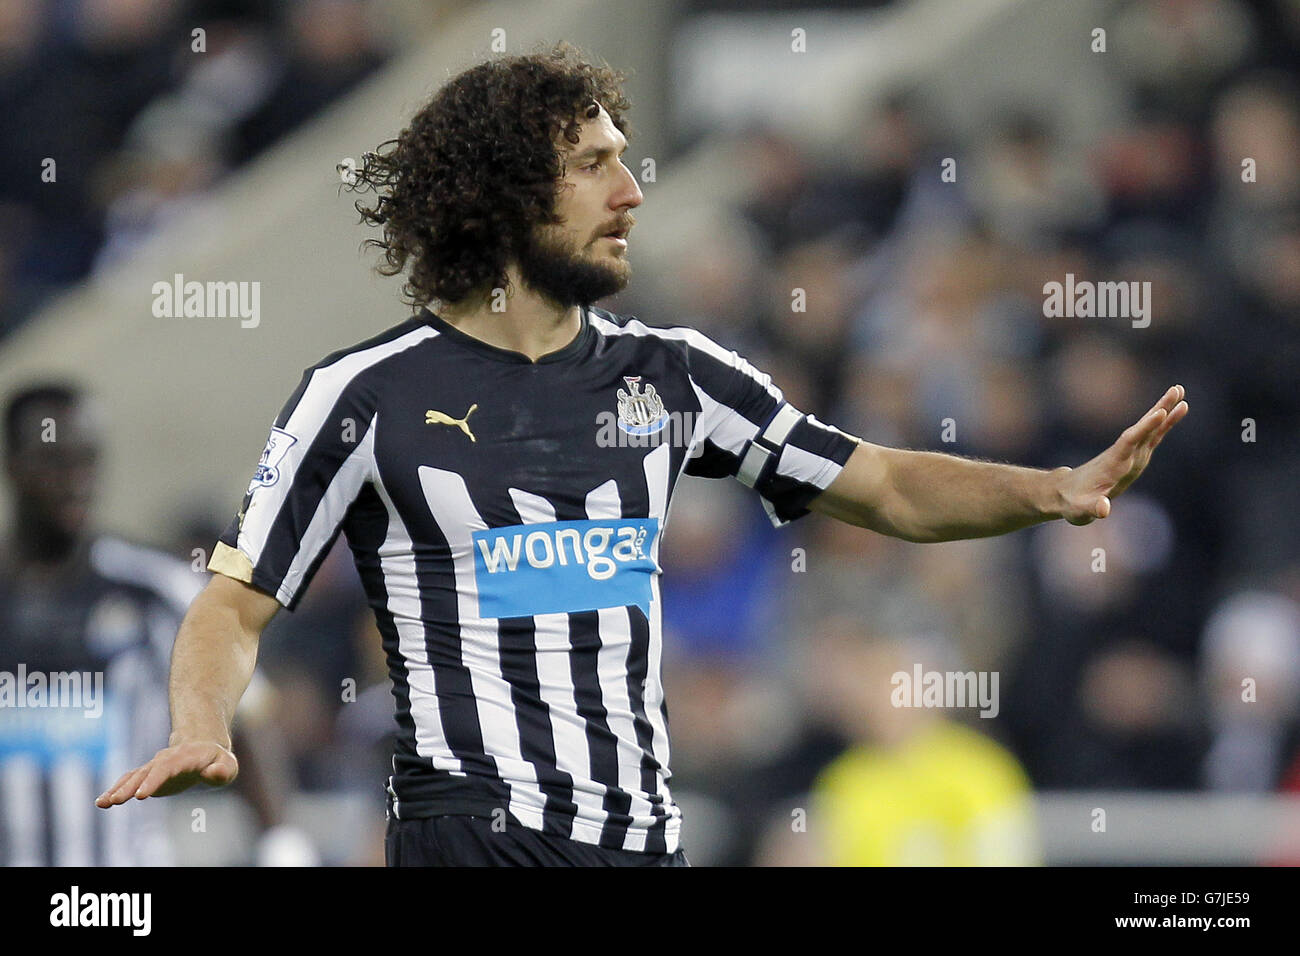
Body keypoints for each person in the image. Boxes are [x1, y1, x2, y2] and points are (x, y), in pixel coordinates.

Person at [96, 43, 1189, 866]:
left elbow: (890, 484)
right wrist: (200, 722)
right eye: (594, 167)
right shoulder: (364, 396)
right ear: (506, 197)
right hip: (472, 836)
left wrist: (1052, 488)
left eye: (625, 162)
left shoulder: (676, 379)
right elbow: (232, 606)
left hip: (640, 838)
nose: (631, 194)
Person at [0, 382, 313, 865]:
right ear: (13, 466)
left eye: (87, 462)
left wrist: (280, 843)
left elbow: (242, 715)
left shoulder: (153, 588)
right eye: (55, 462)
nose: (76, 481)